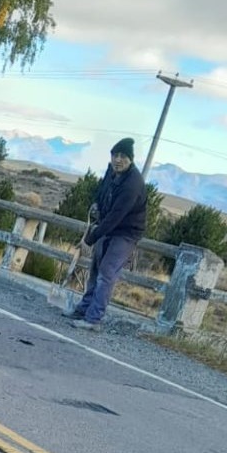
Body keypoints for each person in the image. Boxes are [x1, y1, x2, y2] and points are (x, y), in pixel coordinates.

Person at [64, 137, 148, 330]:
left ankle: (93, 319)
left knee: (107, 272)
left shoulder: (133, 184)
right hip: (107, 226)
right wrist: (96, 204)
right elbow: (102, 190)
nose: (118, 160)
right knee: (95, 269)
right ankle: (83, 309)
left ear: (131, 159)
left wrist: (91, 237)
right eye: (115, 155)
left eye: (123, 156)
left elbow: (116, 216)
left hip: (126, 233)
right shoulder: (112, 171)